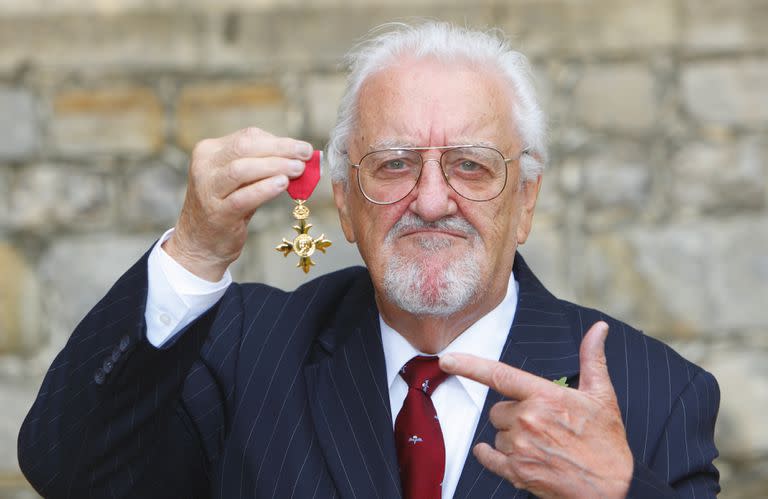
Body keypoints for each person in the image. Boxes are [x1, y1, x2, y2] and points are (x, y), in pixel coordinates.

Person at [18, 22, 720, 499]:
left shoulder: (655, 392)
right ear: (346, 201)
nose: (433, 199)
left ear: (527, 202)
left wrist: (620, 492)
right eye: (394, 164)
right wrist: (196, 249)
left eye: (472, 167)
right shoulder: (245, 351)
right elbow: (70, 467)